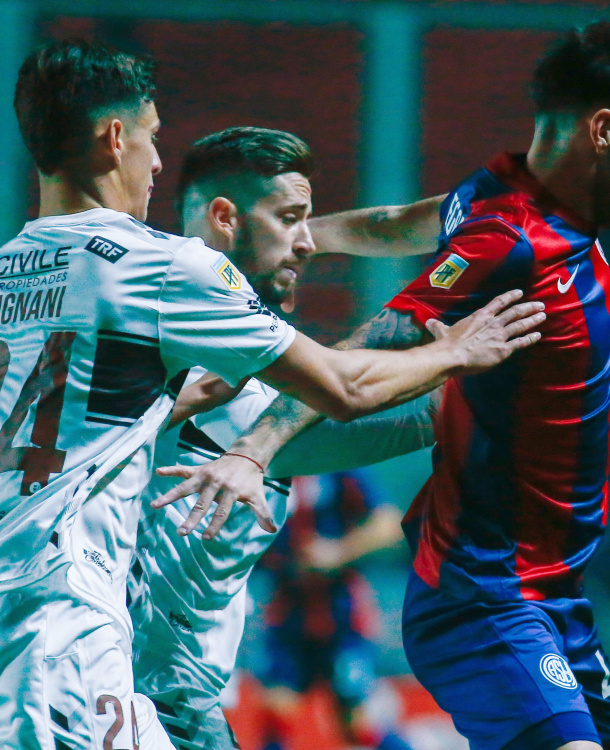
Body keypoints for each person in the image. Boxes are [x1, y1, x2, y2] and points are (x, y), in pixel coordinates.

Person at [0, 38, 543, 750]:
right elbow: (347, 388)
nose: (157, 161)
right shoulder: (163, 273)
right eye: (152, 137)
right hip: (76, 637)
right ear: (114, 138)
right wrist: (461, 351)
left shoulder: (16, 274)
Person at [159, 21, 610, 750]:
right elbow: (361, 357)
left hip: (554, 596)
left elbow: (398, 223)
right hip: (486, 592)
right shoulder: (511, 236)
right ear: (602, 130)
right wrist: (256, 447)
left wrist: (309, 235)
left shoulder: (499, 198)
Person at [130, 126, 445, 750]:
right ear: (225, 219)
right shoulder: (192, 359)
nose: (307, 242)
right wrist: (487, 361)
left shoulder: (165, 332)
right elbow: (353, 399)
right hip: (134, 689)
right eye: (290, 218)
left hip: (167, 683)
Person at [250, 470, 415, 750]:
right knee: (277, 714)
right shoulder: (270, 468)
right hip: (287, 615)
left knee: (359, 724)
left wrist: (339, 551)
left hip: (342, 616)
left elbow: (388, 523)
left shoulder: (341, 468)